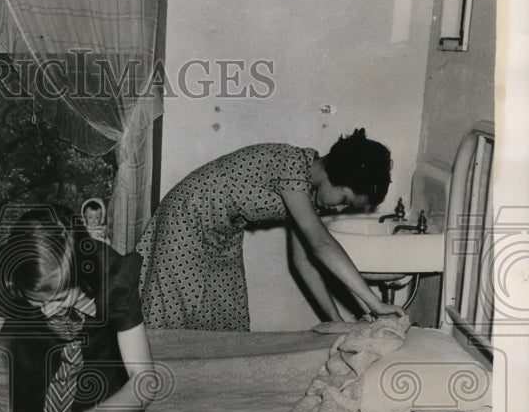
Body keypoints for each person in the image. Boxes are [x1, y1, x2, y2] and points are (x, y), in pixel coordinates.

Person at [135, 129, 407, 330]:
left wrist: (335, 322)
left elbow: (304, 263)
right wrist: (375, 304)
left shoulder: (304, 189)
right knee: (174, 316)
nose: (338, 211)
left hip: (221, 234)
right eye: (345, 201)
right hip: (186, 220)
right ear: (336, 175)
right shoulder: (292, 168)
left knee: (226, 316)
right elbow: (322, 245)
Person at [0, 205, 156, 412]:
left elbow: (145, 381)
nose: (47, 312)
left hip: (102, 381)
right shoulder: (8, 272)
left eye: (59, 299)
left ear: (82, 278)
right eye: (36, 301)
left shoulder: (113, 279)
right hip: (37, 368)